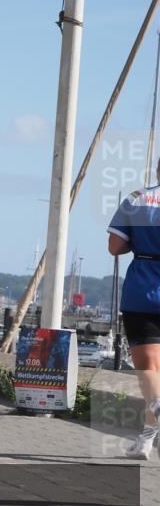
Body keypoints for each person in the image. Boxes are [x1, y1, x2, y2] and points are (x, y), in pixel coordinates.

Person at [108, 160, 160, 460]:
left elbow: (115, 246)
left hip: (143, 290)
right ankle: (146, 439)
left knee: (149, 369)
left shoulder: (137, 199)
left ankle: (149, 431)